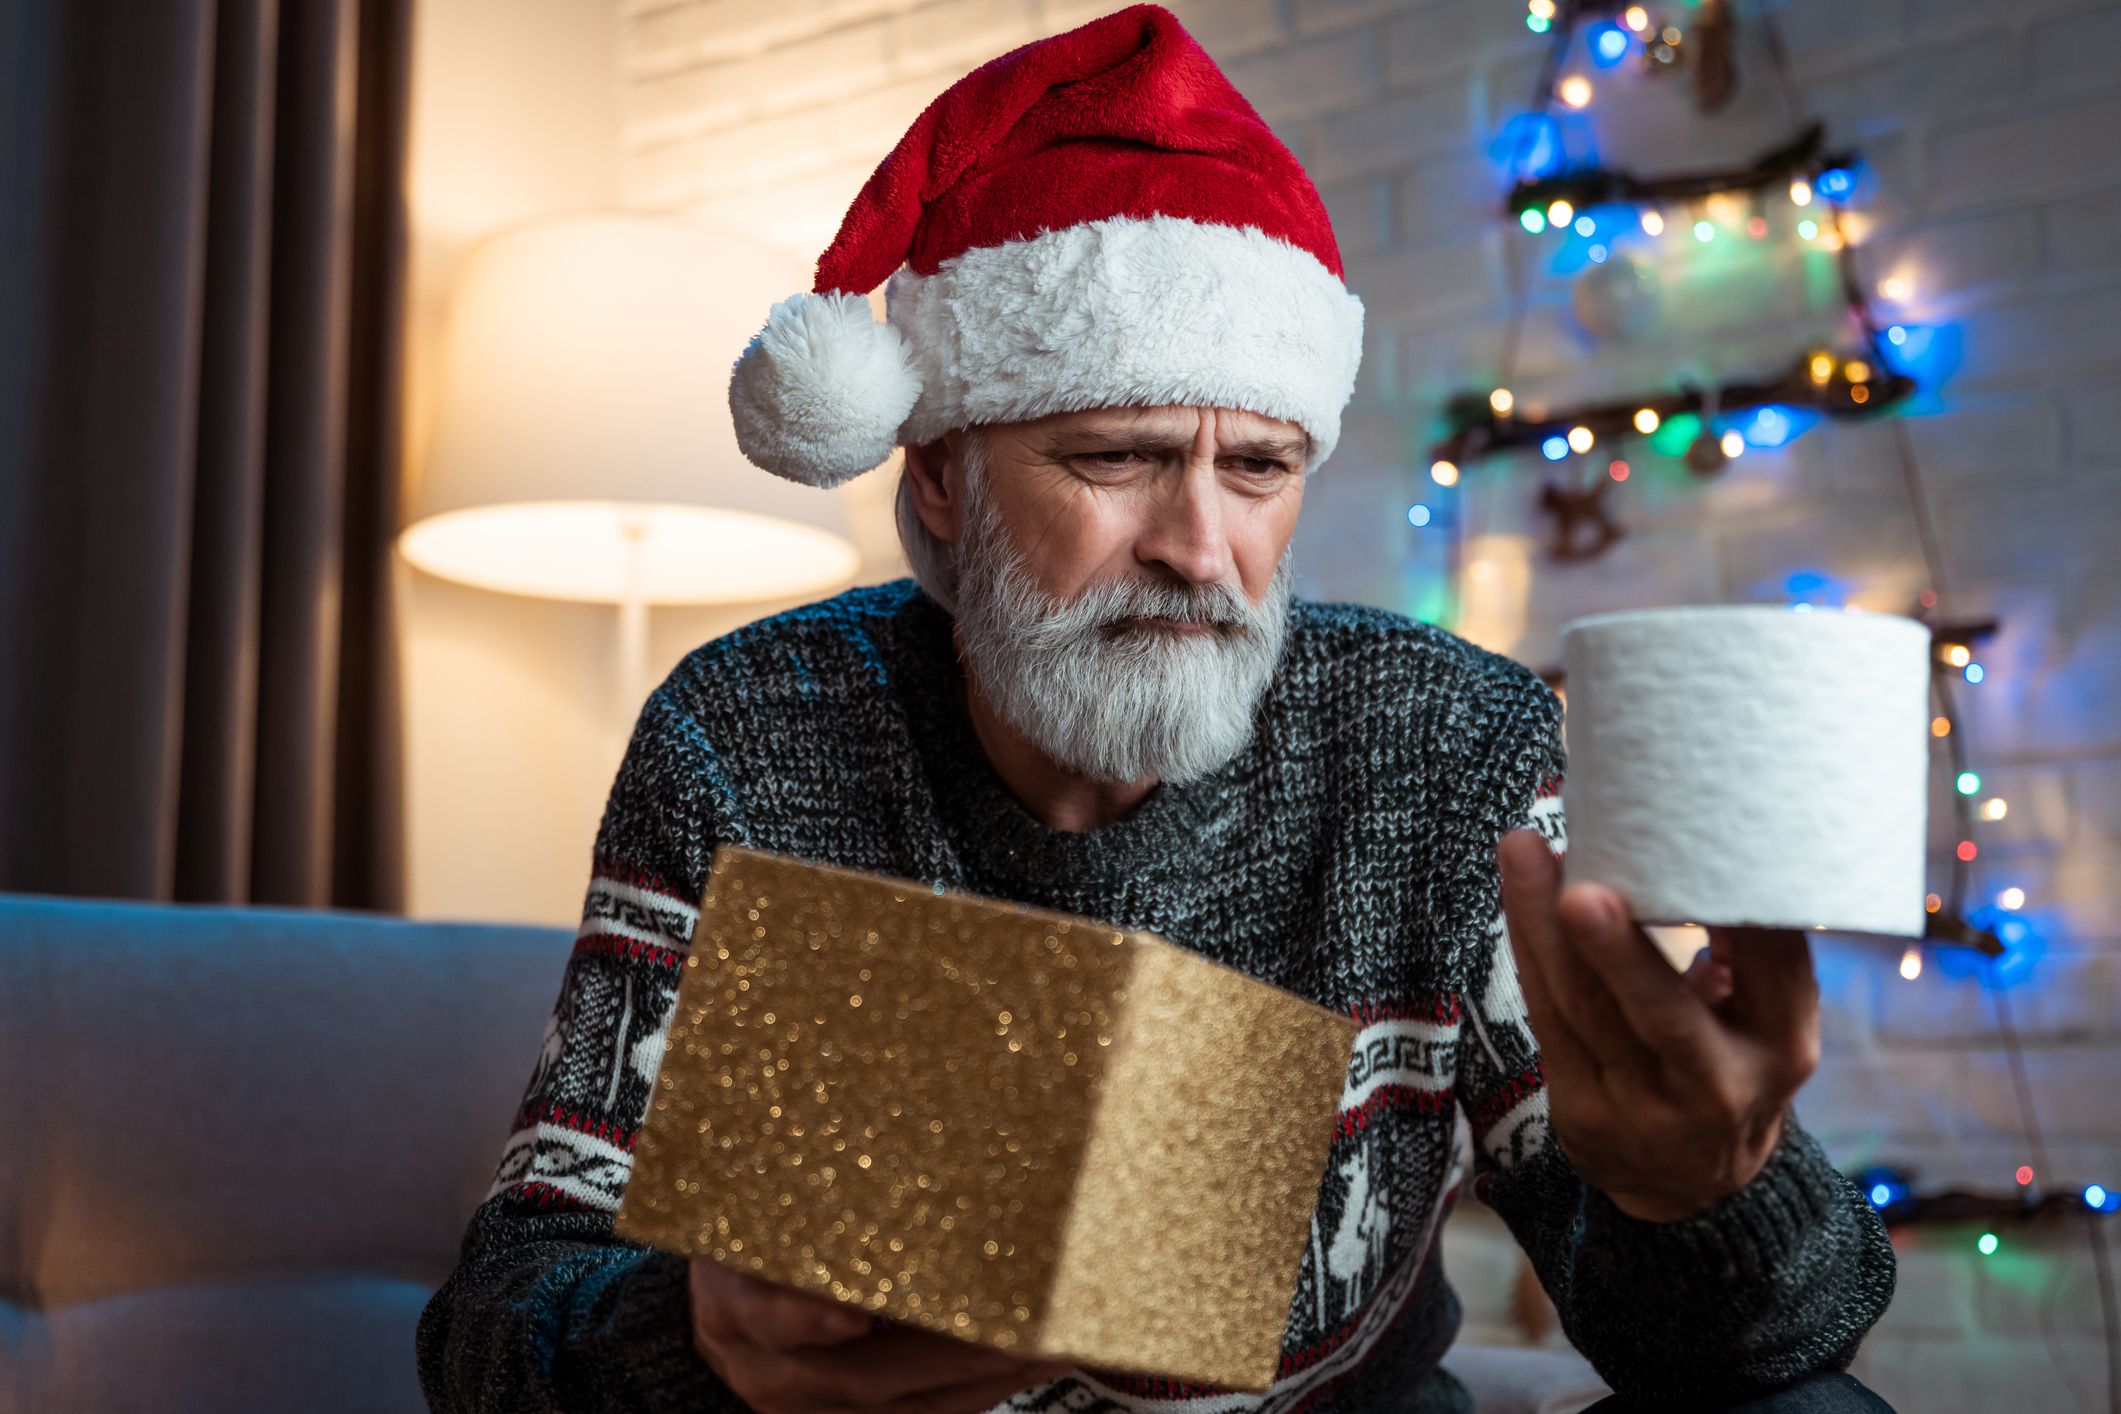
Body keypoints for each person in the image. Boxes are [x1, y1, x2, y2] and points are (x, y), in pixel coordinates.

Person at [414, 6, 1898, 1412]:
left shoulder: (1446, 741)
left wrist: (1699, 1190)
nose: (1201, 547)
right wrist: (697, 1349)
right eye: (1116, 457)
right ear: (938, 474)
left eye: (1255, 467)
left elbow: (1763, 1344)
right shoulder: (752, 730)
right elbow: (492, 1330)